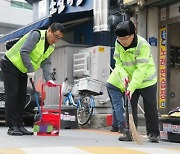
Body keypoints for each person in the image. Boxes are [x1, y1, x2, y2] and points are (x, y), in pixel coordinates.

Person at [1, 22, 65, 136]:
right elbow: (24, 51)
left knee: (21, 96)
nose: (56, 40)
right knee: (13, 94)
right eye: (55, 36)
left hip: (22, 68)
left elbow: (46, 62)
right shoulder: (36, 35)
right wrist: (30, 69)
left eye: (59, 38)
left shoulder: (51, 46)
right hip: (10, 63)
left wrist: (48, 78)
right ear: (49, 30)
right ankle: (12, 126)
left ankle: (20, 125)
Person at [108, 20, 160, 143]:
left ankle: (153, 133)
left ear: (133, 35)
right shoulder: (118, 43)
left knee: (150, 107)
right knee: (130, 106)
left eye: (125, 38)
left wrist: (131, 87)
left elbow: (141, 69)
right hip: (130, 80)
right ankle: (131, 132)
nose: (123, 42)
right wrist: (124, 76)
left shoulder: (143, 45)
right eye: (120, 39)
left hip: (147, 81)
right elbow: (118, 63)